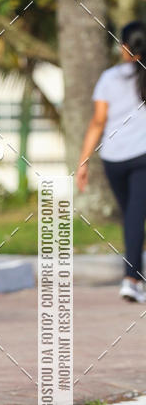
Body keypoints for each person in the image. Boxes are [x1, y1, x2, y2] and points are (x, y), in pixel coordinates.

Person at [77, 21, 146, 303]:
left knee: (131, 215)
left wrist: (83, 161)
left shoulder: (109, 77)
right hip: (142, 156)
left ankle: (132, 277)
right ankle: (131, 278)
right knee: (134, 215)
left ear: (124, 47)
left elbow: (98, 122)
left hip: (113, 159)